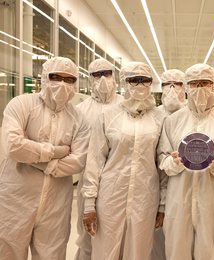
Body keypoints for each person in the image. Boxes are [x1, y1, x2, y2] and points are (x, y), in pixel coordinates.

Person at [0, 57, 90, 259]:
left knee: (52, 255)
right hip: (15, 199)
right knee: (8, 253)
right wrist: (58, 152)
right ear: (44, 78)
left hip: (56, 205)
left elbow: (78, 161)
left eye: (69, 80)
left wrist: (33, 157)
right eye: (56, 77)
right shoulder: (21, 104)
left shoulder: (79, 118)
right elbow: (13, 147)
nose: (62, 84)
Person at [81, 61, 166, 260]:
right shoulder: (108, 116)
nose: (139, 85)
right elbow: (95, 161)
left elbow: (161, 165)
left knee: (139, 252)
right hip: (110, 197)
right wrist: (89, 205)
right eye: (133, 80)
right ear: (123, 83)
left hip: (145, 199)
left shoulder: (159, 119)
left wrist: (162, 206)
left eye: (145, 81)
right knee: (105, 252)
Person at [157, 63, 214, 260]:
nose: (200, 89)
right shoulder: (173, 120)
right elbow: (162, 158)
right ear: (187, 87)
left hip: (210, 199)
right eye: (194, 84)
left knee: (210, 250)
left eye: (205, 83)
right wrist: (173, 163)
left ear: (213, 85)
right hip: (178, 199)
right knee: (177, 250)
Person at [74, 58, 123, 260]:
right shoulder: (80, 109)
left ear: (115, 76)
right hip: (88, 180)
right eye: (97, 75)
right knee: (87, 234)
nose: (103, 79)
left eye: (107, 74)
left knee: (117, 233)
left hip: (119, 181)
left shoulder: (125, 105)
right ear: (90, 78)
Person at [152, 69, 186, 259]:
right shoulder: (154, 115)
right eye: (167, 84)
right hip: (153, 187)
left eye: (177, 84)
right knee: (156, 243)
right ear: (161, 87)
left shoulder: (190, 117)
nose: (172, 89)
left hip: (180, 188)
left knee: (178, 244)